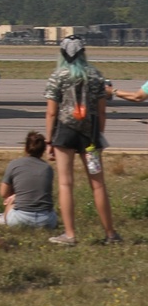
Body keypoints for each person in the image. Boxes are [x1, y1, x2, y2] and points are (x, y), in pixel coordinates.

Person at [44, 35, 120, 245]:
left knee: (66, 183)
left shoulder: (58, 76)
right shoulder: (96, 76)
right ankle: (111, 234)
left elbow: (51, 112)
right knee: (98, 185)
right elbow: (102, 111)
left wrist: (49, 141)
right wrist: (98, 135)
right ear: (83, 52)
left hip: (65, 132)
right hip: (91, 136)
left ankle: (70, 234)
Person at [0, 132, 58, 229]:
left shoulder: (14, 164)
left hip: (20, 218)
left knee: (10, 202)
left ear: (26, 147)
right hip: (46, 220)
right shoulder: (47, 168)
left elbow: (3, 193)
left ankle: (4, 218)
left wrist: (15, 196)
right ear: (43, 151)